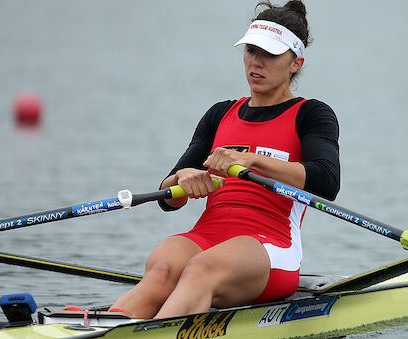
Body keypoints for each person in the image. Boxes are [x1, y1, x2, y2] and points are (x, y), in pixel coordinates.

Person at [109, 0, 340, 319]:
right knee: (163, 265)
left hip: (270, 245)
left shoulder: (312, 114)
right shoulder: (220, 114)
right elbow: (166, 196)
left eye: (270, 54)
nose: (256, 62)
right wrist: (184, 180)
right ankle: (94, 327)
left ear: (296, 63)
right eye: (251, 51)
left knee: (201, 269)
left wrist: (253, 161)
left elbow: (326, 182)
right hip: (207, 235)